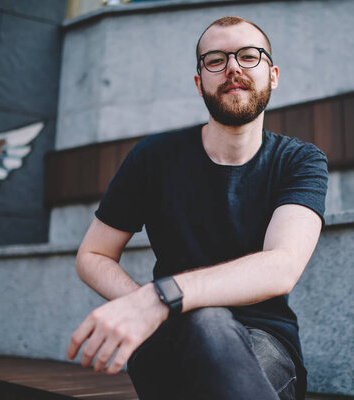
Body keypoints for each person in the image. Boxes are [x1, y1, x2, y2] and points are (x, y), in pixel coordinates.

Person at [66, 16, 328, 400]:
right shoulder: (152, 157)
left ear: (273, 75)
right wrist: (145, 306)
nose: (233, 67)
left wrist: (161, 297)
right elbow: (92, 254)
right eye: (216, 60)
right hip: (167, 339)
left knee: (209, 324)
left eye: (248, 56)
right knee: (202, 326)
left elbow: (282, 266)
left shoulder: (299, 160)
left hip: (265, 344)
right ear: (198, 81)